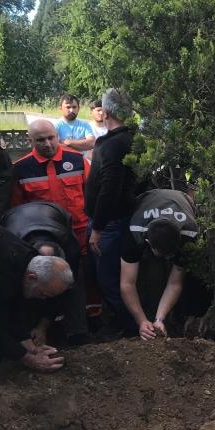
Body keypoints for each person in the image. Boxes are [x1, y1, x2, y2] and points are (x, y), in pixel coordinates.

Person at [0, 215, 73, 372]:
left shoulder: (27, 260)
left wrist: (26, 342)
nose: (42, 299)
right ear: (32, 277)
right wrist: (29, 359)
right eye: (43, 294)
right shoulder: (0, 274)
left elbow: (14, 302)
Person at [0, 201, 89, 345]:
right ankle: (28, 333)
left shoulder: (71, 249)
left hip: (55, 212)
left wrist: (43, 326)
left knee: (71, 285)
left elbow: (62, 287)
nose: (45, 297)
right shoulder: (12, 252)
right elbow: (13, 296)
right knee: (24, 289)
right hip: (12, 218)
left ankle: (77, 333)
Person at [85, 88, 137, 337]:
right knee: (115, 277)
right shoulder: (129, 139)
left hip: (109, 224)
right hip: (118, 220)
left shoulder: (114, 145)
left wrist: (97, 228)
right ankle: (123, 323)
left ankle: (128, 329)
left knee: (108, 279)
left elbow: (109, 189)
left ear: (104, 112)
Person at [120, 189, 199, 340]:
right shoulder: (133, 232)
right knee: (148, 276)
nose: (167, 257)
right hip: (146, 201)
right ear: (148, 243)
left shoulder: (189, 233)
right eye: (163, 254)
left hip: (181, 201)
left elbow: (175, 283)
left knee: (181, 276)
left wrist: (159, 319)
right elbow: (127, 284)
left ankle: (171, 319)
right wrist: (141, 321)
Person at [11, 119, 90, 250]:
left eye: (51, 138)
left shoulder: (78, 160)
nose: (47, 144)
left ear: (57, 136)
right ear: (30, 141)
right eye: (40, 140)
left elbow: (93, 195)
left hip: (81, 231)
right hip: (44, 238)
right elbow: (17, 208)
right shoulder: (21, 168)